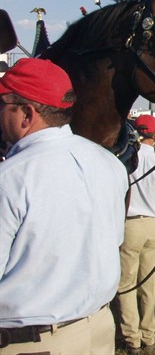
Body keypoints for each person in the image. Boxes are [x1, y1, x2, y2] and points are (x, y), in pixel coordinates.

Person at [0, 58, 128, 354]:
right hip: (97, 327)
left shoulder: (11, 178)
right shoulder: (109, 163)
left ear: (26, 114)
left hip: (32, 341)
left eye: (3, 103)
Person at [116, 114, 155, 354]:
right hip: (154, 226)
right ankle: (149, 335)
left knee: (127, 284)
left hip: (129, 225)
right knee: (150, 285)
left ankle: (131, 338)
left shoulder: (123, 160)